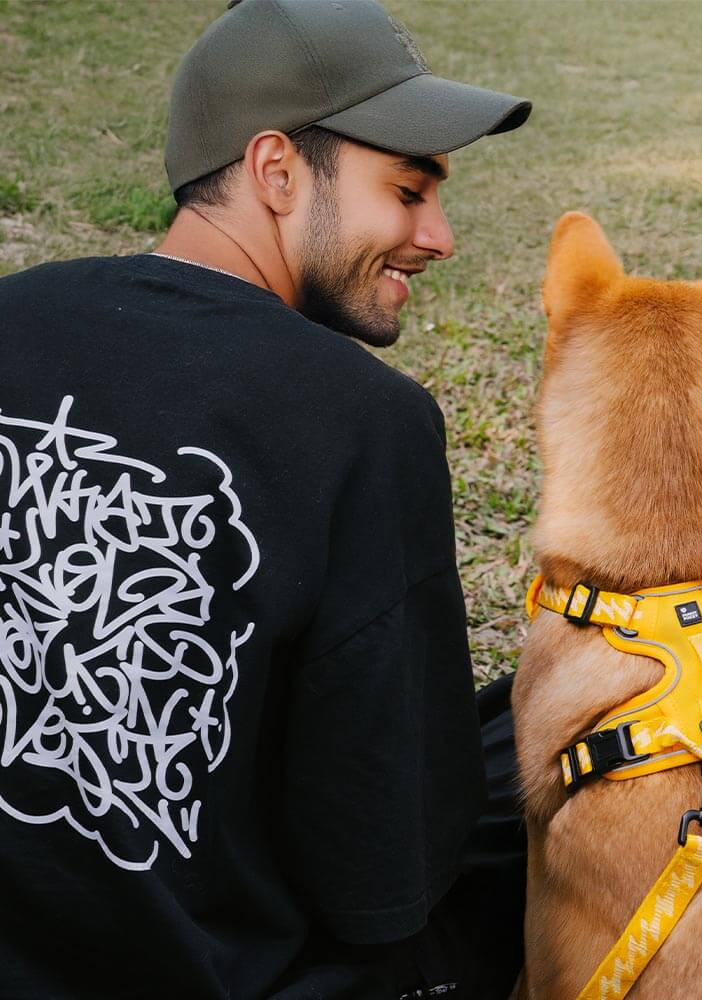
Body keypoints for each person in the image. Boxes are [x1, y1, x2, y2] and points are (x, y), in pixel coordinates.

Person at [0, 1, 531, 997]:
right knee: (563, 729)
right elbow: (384, 870)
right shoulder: (364, 420)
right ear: (276, 170)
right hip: (219, 972)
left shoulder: (11, 316)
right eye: (409, 189)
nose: (440, 236)